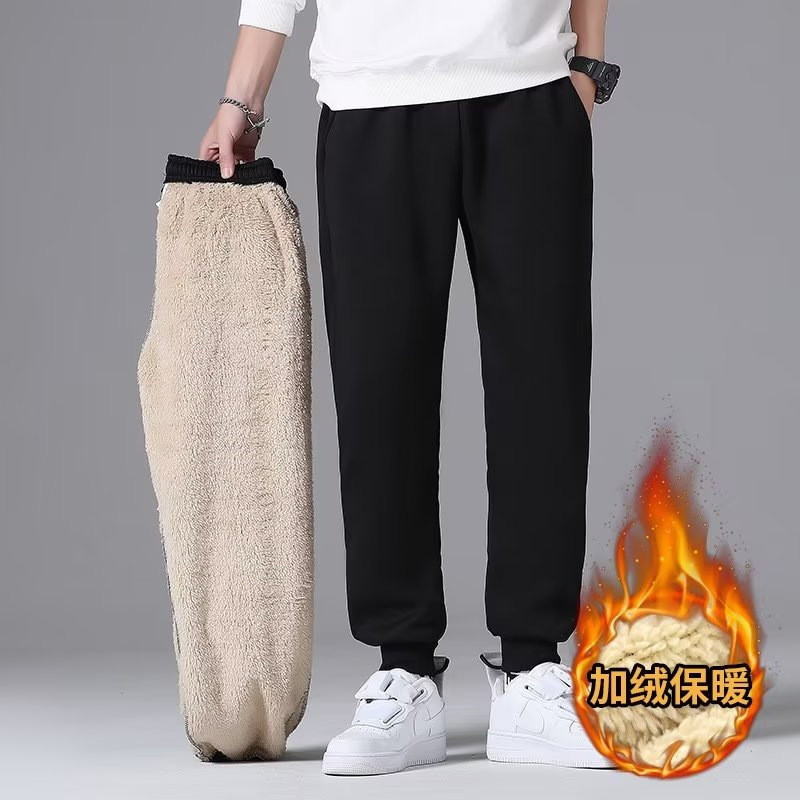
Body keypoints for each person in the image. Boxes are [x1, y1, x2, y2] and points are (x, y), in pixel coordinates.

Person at [201, 0, 619, 775]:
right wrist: (241, 98)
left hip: (529, 90)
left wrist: (588, 68)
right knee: (379, 392)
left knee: (545, 388)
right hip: (372, 98)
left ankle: (532, 668)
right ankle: (405, 673)